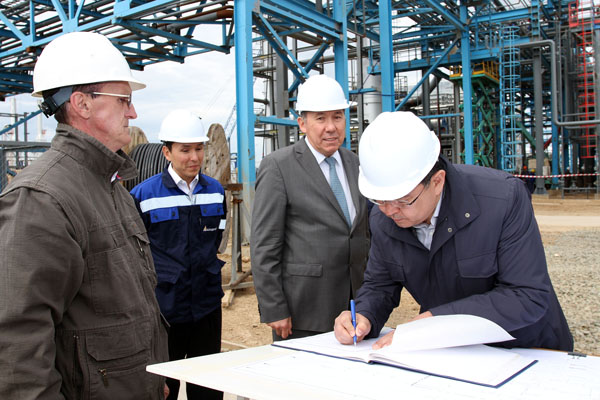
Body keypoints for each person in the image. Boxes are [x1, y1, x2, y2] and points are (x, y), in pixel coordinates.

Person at [0, 32, 169, 398]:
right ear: (82, 104)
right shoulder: (42, 199)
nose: (133, 113)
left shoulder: (112, 188)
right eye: (124, 100)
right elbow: (17, 346)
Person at [333, 111, 573, 351]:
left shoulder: (502, 200)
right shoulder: (383, 218)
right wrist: (363, 315)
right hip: (450, 351)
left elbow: (527, 295)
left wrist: (437, 321)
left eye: (403, 200)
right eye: (379, 199)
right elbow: (380, 285)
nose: (389, 210)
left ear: (437, 182)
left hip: (527, 348)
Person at [251, 74, 370, 340]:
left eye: (337, 117)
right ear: (302, 123)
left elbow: (363, 232)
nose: (331, 127)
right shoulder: (279, 167)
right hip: (304, 310)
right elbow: (265, 245)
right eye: (320, 118)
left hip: (356, 306)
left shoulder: (355, 164)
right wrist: (274, 307)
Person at [130, 109, 226, 400]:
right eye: (185, 150)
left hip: (207, 308)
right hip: (165, 311)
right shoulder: (144, 196)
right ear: (167, 152)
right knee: (163, 390)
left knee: (208, 389)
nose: (194, 157)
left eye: (199, 148)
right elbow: (136, 255)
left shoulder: (215, 191)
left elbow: (217, 238)